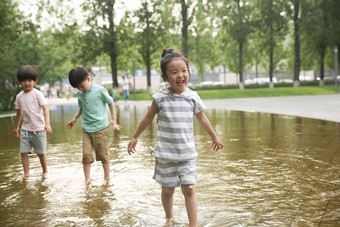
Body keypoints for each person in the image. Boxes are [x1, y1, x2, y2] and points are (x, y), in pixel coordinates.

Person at [127, 48, 224, 226]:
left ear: (188, 72)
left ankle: (193, 225)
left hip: (187, 154)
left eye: (184, 71)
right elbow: (147, 118)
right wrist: (134, 137)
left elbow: (202, 118)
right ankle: (169, 217)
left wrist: (214, 136)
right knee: (168, 190)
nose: (180, 75)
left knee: (189, 188)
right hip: (166, 154)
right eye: (174, 72)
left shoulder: (192, 97)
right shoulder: (160, 98)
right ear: (164, 77)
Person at [66, 66, 121, 183]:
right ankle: (87, 180)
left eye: (82, 86)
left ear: (88, 79)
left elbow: (111, 102)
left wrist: (114, 120)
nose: (81, 89)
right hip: (86, 129)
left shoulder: (100, 90)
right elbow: (82, 107)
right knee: (86, 155)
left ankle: (107, 178)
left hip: (101, 128)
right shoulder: (80, 94)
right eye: (78, 88)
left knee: (104, 155)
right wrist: (74, 118)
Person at [13, 65, 53, 178]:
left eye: (30, 80)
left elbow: (45, 108)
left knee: (40, 153)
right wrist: (16, 128)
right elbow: (19, 113)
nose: (27, 83)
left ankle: (45, 171)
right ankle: (26, 173)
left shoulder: (38, 94)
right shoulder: (19, 97)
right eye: (24, 81)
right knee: (23, 152)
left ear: (35, 81)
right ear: (19, 81)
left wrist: (47, 124)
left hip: (39, 129)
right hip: (25, 129)